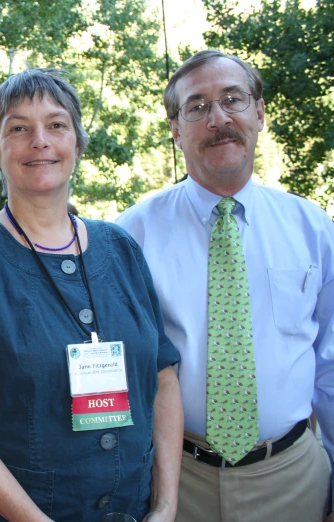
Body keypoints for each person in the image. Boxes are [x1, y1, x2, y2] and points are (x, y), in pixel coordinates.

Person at [0, 69, 183, 522]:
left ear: (77, 144)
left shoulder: (121, 249)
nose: (39, 140)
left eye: (57, 125)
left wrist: (164, 505)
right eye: (18, 128)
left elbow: (162, 383)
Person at [117, 50, 333, 522]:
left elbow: (331, 365)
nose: (218, 118)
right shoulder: (130, 235)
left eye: (233, 99)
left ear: (259, 113)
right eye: (196, 106)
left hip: (293, 479)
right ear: (175, 129)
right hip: (175, 481)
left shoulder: (313, 230)